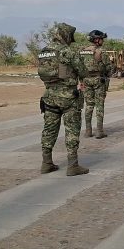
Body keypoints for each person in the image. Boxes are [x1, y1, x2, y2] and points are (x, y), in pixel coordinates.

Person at [36, 22, 90, 176]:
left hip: (49, 96)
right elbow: (83, 72)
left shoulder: (44, 52)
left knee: (49, 129)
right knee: (72, 130)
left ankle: (46, 163)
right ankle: (73, 166)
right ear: (67, 35)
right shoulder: (68, 52)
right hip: (68, 98)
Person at [79, 30, 113, 139]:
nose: (103, 40)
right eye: (101, 38)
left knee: (89, 105)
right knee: (99, 105)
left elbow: (77, 66)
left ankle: (88, 131)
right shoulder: (101, 51)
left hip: (85, 80)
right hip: (99, 80)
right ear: (96, 40)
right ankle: (99, 131)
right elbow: (108, 67)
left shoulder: (82, 51)